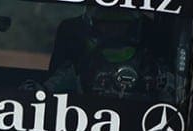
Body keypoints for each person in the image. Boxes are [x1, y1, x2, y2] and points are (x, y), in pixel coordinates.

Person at [40, 6, 180, 101]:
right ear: (94, 25)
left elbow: (174, 102)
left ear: (133, 26)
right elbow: (46, 93)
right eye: (105, 24)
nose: (112, 30)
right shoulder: (77, 67)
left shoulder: (154, 69)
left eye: (119, 24)